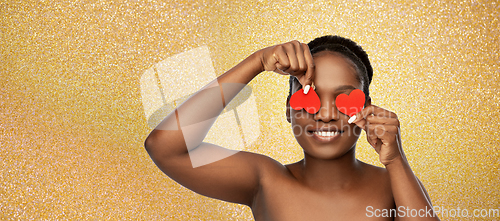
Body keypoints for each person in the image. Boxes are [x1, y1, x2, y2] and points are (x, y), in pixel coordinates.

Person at [144, 35, 439, 220]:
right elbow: (165, 148)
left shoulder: (394, 185)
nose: (324, 115)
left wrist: (396, 160)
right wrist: (258, 61)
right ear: (288, 110)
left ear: (366, 108)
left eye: (343, 98)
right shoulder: (266, 180)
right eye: (309, 97)